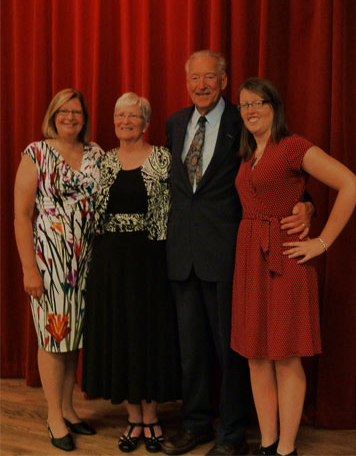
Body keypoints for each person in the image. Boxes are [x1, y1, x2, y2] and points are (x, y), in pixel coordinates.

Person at [162, 50, 314, 456]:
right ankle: (195, 424)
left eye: (209, 77)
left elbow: (284, 170)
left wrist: (307, 205)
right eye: (194, 78)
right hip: (183, 255)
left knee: (234, 352)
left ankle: (231, 435)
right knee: (191, 350)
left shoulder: (244, 119)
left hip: (234, 255)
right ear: (187, 81)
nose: (201, 85)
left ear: (224, 80)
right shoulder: (175, 124)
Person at [231, 77, 356, 456]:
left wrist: (322, 242)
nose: (251, 110)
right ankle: (268, 444)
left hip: (286, 261)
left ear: (275, 107)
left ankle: (286, 449)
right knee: (256, 357)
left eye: (259, 103)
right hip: (250, 259)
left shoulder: (293, 147)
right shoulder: (247, 155)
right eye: (244, 105)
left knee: (286, 357)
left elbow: (350, 185)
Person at [82, 92, 180, 454]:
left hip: (152, 259)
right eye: (119, 115)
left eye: (132, 116)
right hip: (110, 261)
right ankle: (133, 417)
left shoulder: (164, 159)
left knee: (149, 333)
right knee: (119, 333)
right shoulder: (102, 161)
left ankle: (152, 417)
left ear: (145, 122)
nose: (125, 121)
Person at [14, 88, 103, 452]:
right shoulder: (36, 153)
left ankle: (69, 408)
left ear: (84, 117)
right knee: (53, 336)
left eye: (77, 112)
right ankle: (53, 415)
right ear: (53, 114)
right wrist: (28, 269)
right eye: (64, 111)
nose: (71, 117)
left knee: (73, 338)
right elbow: (21, 216)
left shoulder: (96, 152)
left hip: (89, 261)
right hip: (50, 261)